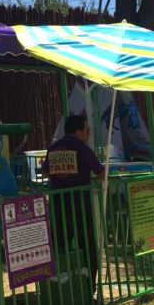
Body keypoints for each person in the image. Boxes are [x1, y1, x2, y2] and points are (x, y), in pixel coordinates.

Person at [43, 114, 104, 294]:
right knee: (88, 247)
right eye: (87, 130)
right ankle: (88, 288)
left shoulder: (53, 148)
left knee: (59, 247)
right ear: (78, 132)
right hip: (79, 206)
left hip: (58, 207)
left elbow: (45, 171)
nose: (89, 134)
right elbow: (100, 172)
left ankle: (59, 290)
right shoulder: (82, 149)